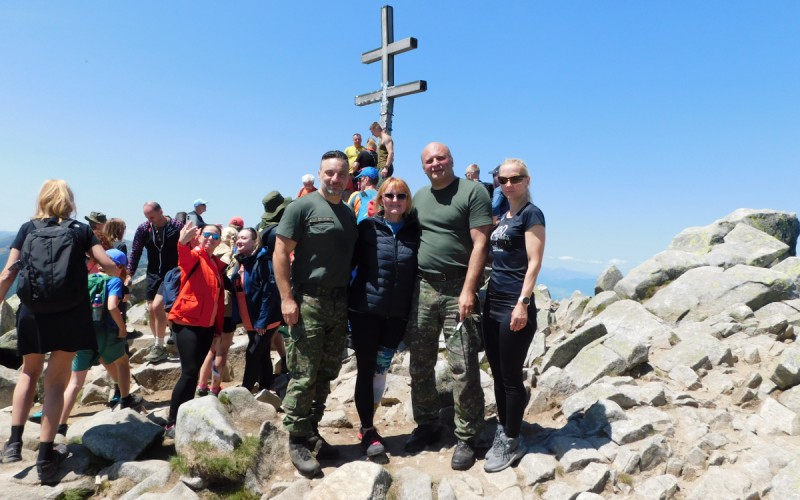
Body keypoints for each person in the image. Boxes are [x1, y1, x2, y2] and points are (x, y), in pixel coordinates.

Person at [0, 179, 119, 483]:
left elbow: (7, 274)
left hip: (33, 312)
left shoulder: (28, 228)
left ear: (42, 199)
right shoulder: (80, 230)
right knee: (55, 383)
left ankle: (13, 444)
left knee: (28, 373)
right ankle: (45, 457)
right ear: (69, 202)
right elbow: (109, 266)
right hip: (70, 313)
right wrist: (98, 266)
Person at [405, 142, 492, 471]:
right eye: (429, 160)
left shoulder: (472, 192)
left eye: (440, 158)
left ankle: (467, 436)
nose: (435, 163)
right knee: (420, 363)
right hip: (423, 287)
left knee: (463, 365)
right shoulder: (419, 197)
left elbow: (481, 242)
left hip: (459, 287)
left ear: (451, 160)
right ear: (423, 166)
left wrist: (469, 289)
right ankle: (427, 424)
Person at [274, 150, 358, 477]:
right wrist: (287, 298)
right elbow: (281, 252)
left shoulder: (348, 213)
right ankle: (296, 438)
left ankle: (311, 428)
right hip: (308, 299)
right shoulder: (302, 207)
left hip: (339, 302)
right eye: (329, 173)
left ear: (348, 177)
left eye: (341, 174)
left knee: (326, 372)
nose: (335, 178)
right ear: (319, 174)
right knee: (304, 372)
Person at [349, 177, 419, 460]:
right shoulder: (367, 228)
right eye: (389, 195)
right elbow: (349, 263)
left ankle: (368, 422)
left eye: (401, 196)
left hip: (396, 315)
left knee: (381, 369)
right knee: (366, 369)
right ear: (380, 199)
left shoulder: (416, 231)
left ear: (408, 200)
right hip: (365, 311)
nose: (395, 201)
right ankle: (368, 430)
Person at [482, 159, 546, 472]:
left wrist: (523, 302)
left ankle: (512, 438)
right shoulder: (506, 216)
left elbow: (534, 262)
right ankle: (504, 427)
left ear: (526, 180)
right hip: (492, 301)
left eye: (515, 178)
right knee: (497, 373)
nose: (508, 184)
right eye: (503, 180)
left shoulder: (532, 214)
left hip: (513, 304)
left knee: (510, 376)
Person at [57, 249, 144, 437]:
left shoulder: (86, 279)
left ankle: (60, 425)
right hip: (106, 333)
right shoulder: (114, 281)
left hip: (82, 334)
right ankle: (126, 398)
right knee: (122, 362)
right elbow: (112, 306)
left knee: (75, 382)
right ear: (119, 267)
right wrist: (122, 328)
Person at [164, 221, 227, 437]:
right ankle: (172, 422)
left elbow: (217, 301)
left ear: (219, 242)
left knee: (193, 373)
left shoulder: (215, 264)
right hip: (187, 323)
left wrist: (217, 329)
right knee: (189, 373)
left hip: (207, 327)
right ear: (199, 236)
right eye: (207, 234)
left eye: (215, 236)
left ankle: (185, 416)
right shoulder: (195, 256)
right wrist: (182, 242)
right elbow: (183, 256)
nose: (210, 238)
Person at [128, 202, 184, 363]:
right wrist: (129, 273)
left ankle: (161, 345)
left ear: (161, 212)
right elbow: (136, 251)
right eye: (147, 217)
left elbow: (188, 246)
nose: (149, 220)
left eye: (152, 216)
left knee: (158, 306)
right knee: (152, 309)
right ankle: (159, 342)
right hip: (153, 273)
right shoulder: (144, 228)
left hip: (173, 272)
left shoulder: (176, 226)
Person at [231, 228, 282, 393]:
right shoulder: (242, 261)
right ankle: (266, 385)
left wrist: (262, 320)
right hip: (250, 319)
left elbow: (269, 292)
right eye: (238, 238)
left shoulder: (262, 261)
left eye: (244, 238)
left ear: (254, 242)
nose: (239, 241)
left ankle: (245, 390)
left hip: (264, 319)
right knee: (262, 352)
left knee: (252, 353)